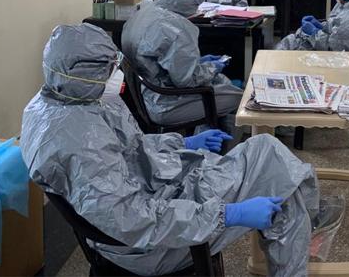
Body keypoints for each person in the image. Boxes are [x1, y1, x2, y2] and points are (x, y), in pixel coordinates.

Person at [21, 23, 320, 277]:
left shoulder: (66, 101)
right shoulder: (79, 143)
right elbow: (133, 219)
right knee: (281, 183)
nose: (116, 74)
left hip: (157, 198)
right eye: (109, 68)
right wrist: (228, 214)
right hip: (150, 244)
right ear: (81, 72)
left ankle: (307, 223)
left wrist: (184, 143)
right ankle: (306, 232)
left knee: (267, 150)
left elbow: (130, 148)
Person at [122, 0, 243, 127]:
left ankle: (211, 131)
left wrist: (200, 62)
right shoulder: (175, 28)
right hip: (166, 104)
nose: (196, 9)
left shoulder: (143, 13)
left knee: (221, 83)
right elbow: (187, 80)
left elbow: (159, 60)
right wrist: (213, 67)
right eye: (196, 4)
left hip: (145, 95)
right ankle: (211, 137)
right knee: (241, 99)